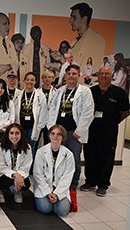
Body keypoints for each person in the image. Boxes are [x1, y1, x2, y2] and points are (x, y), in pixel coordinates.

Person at [48, 64, 94, 212]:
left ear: (79, 75)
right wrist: (52, 130)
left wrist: (79, 131)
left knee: (74, 159)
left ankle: (73, 184)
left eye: (74, 74)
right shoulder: (60, 91)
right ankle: (59, 181)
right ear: (65, 75)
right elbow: (53, 109)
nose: (71, 76)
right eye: (69, 74)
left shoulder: (85, 92)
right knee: (59, 157)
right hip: (59, 133)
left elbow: (88, 112)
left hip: (74, 132)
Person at [81, 66, 130, 196]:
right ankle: (90, 181)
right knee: (90, 155)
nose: (103, 76)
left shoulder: (119, 93)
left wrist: (114, 121)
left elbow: (125, 112)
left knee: (106, 157)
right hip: (91, 129)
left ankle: (103, 184)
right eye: (101, 73)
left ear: (112, 75)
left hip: (109, 130)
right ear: (97, 75)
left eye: (107, 74)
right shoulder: (90, 91)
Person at [33, 125, 75, 216]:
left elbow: (68, 176)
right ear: (49, 135)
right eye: (53, 133)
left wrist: (57, 194)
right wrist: (48, 192)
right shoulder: (41, 152)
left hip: (60, 187)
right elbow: (38, 174)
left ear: (63, 137)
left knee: (62, 211)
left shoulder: (68, 154)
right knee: (45, 208)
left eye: (58, 134)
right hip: (44, 187)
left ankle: (56, 198)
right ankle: (48, 198)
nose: (55, 136)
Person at [0, 123, 32, 204]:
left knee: (27, 184)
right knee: (4, 182)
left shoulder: (27, 147)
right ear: (7, 134)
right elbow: (0, 166)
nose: (14, 136)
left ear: (21, 134)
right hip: (3, 173)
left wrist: (19, 175)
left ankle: (18, 191)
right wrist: (15, 175)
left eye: (17, 133)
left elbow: (26, 166)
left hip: (20, 173)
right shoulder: (1, 146)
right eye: (11, 133)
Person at [15, 72, 47, 155]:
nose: (29, 82)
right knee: (20, 149)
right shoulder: (19, 94)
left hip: (33, 127)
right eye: (28, 79)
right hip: (21, 126)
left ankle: (30, 168)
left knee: (31, 150)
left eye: (32, 80)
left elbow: (43, 113)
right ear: (24, 81)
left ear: (35, 82)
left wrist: (39, 127)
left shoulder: (40, 95)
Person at [68, 2, 105, 71]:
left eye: (74, 18)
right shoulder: (77, 39)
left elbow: (95, 70)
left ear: (84, 19)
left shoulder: (97, 40)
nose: (70, 21)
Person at [37, 70, 57, 144]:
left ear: (53, 79)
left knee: (48, 143)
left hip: (50, 121)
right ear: (42, 78)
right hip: (39, 120)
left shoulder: (56, 92)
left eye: (49, 77)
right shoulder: (37, 92)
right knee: (35, 143)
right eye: (45, 77)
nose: (47, 79)